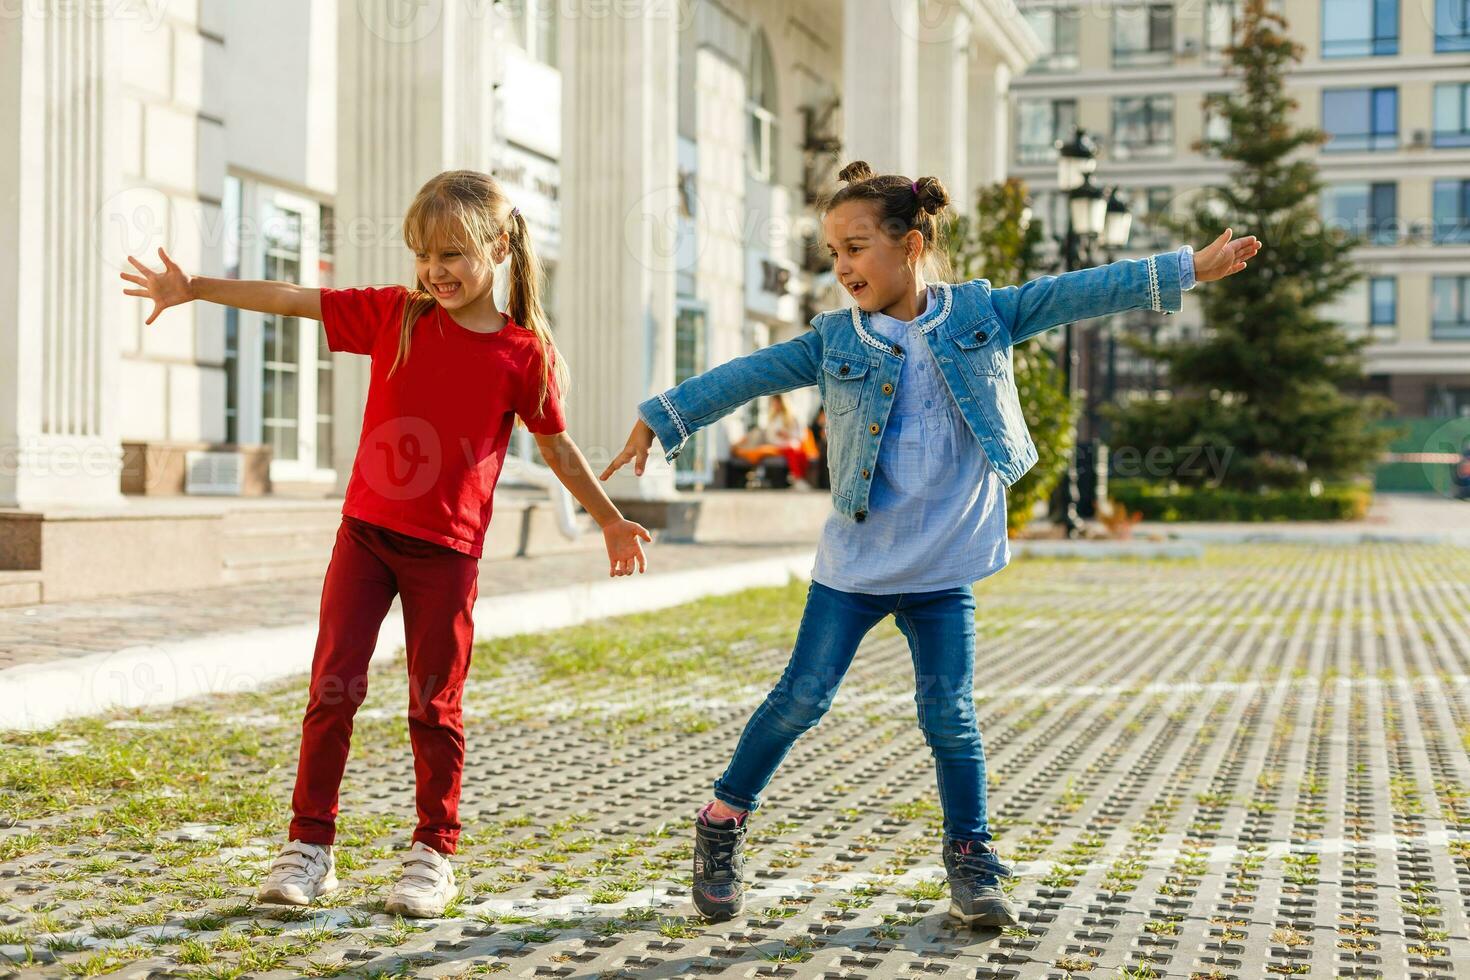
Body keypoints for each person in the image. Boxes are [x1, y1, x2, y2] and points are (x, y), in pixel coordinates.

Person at [601, 160, 1259, 927]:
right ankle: (721, 821)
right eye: (833, 253)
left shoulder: (981, 314)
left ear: (910, 246)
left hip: (944, 568)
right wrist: (665, 413)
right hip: (856, 568)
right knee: (802, 698)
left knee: (950, 714)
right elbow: (749, 373)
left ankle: (973, 858)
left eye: (855, 248)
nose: (841, 266)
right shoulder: (831, 339)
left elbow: (1077, 290)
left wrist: (1189, 267)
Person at [121, 170, 653, 918]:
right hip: (365, 540)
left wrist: (606, 518)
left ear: (498, 249)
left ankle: (434, 853)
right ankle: (309, 848)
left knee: (434, 706)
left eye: (452, 255)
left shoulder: (521, 355)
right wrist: (196, 287)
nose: (435, 271)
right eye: (423, 255)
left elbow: (558, 451)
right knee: (331, 691)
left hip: (447, 553)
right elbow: (291, 299)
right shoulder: (395, 318)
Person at [731, 393, 816, 488]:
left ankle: (799, 478)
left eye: (777, 403)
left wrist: (787, 436)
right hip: (778, 447)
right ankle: (798, 479)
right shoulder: (772, 419)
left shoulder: (794, 417)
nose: (775, 405)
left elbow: (801, 435)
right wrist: (779, 440)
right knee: (791, 451)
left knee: (795, 452)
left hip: (792, 444)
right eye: (774, 403)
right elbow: (770, 438)